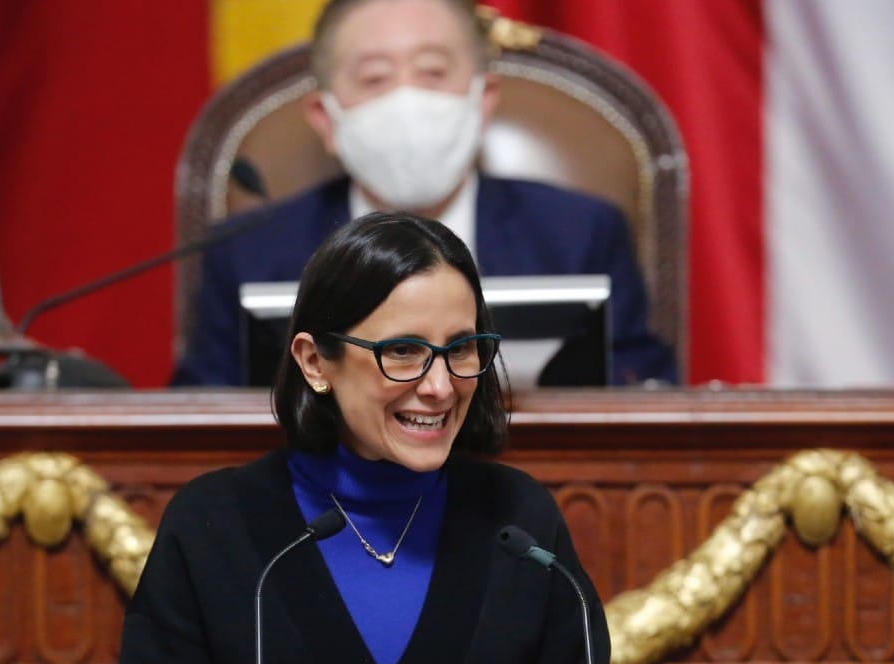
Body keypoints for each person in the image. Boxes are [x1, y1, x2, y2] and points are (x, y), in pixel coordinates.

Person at [114, 212, 630, 664]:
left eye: (461, 349)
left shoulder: (521, 529)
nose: (439, 386)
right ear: (314, 362)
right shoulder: (211, 528)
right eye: (404, 351)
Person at [171, 0, 677, 388]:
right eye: (374, 78)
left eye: (433, 72)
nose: (405, 98)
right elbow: (197, 420)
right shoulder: (248, 251)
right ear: (326, 119)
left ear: (483, 101)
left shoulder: (579, 234)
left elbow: (643, 395)